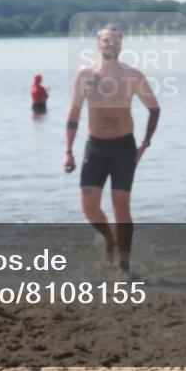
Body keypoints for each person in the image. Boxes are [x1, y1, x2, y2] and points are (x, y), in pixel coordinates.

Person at [63, 25, 160, 272]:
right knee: (88, 204)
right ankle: (109, 239)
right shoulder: (85, 75)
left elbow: (154, 109)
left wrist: (145, 144)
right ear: (98, 44)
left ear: (121, 45)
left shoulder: (132, 75)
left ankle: (124, 263)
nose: (110, 44)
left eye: (115, 41)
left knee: (121, 205)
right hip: (94, 147)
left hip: (123, 147)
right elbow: (74, 112)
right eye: (106, 40)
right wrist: (68, 151)